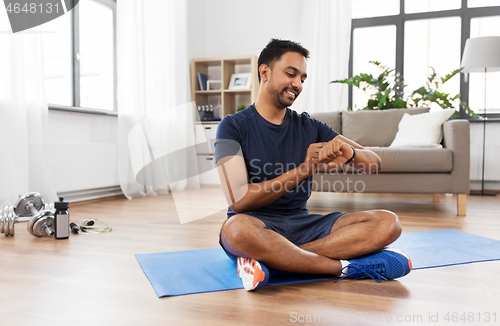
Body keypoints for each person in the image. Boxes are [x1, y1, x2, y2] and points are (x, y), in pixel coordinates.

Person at [214, 39, 411, 291]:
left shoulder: (310, 126)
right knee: (236, 230)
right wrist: (304, 170)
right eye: (291, 74)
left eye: (303, 79)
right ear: (264, 72)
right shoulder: (232, 126)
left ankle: (271, 263)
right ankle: (344, 267)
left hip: (303, 225)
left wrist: (348, 152)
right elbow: (239, 200)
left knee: (388, 223)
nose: (297, 84)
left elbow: (374, 163)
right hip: (256, 225)